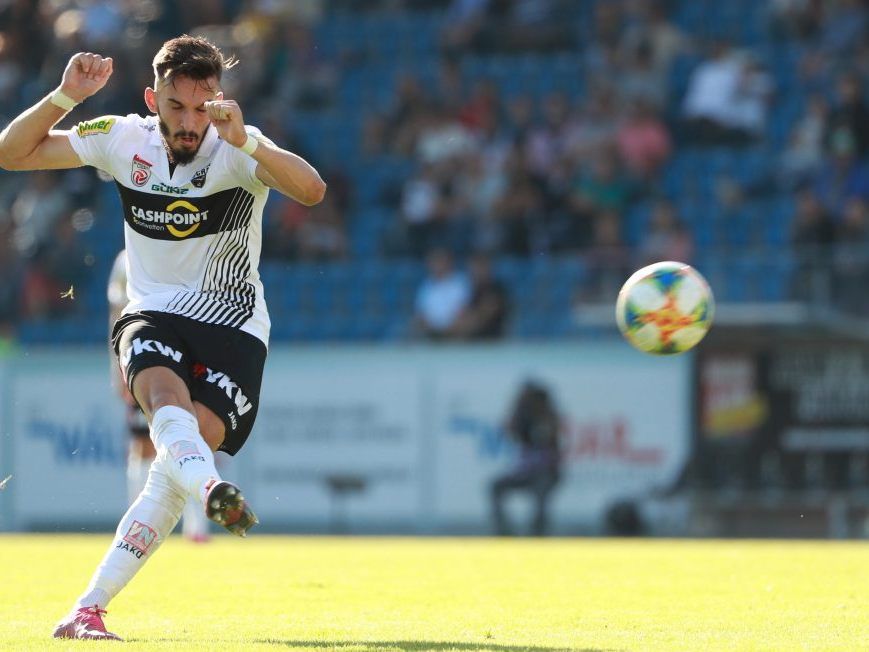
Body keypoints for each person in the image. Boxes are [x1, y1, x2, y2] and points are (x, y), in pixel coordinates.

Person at [0, 35, 326, 640]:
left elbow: (312, 190)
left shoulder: (236, 147)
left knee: (173, 466)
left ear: (219, 102)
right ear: (154, 100)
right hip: (153, 311)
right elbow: (11, 153)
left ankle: (88, 607)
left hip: (234, 324)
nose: (190, 121)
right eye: (177, 106)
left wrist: (248, 140)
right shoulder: (123, 138)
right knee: (164, 407)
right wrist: (64, 96)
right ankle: (212, 487)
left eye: (202, 107)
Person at [108, 250, 211, 543]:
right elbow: (117, 316)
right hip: (143, 356)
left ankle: (196, 529)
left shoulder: (188, 250)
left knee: (192, 437)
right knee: (143, 444)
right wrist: (120, 367)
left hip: (185, 359)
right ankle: (137, 523)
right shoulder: (126, 261)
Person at [490, 380, 562, 537]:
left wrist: (536, 421)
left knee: (541, 491)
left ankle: (537, 534)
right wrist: (516, 411)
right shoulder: (520, 416)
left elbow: (544, 436)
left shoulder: (549, 416)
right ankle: (504, 532)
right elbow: (509, 431)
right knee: (495, 486)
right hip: (524, 472)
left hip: (545, 472)